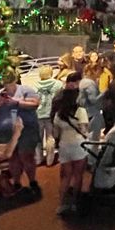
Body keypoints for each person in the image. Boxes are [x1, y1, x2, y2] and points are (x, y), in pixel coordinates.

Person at [0, 72, 42, 197]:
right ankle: (16, 182)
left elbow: (35, 104)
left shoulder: (26, 90)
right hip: (5, 133)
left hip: (26, 130)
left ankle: (32, 181)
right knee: (13, 157)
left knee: (26, 156)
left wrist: (17, 103)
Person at [51, 83, 90, 215]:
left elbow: (56, 134)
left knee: (65, 176)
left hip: (64, 145)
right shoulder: (81, 111)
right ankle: (74, 203)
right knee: (78, 175)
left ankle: (61, 204)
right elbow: (84, 129)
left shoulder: (59, 114)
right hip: (78, 145)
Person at [34, 66, 63, 166]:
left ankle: (38, 159)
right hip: (51, 113)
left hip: (38, 114)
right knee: (50, 137)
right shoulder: (58, 84)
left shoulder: (35, 85)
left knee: (38, 137)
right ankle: (50, 160)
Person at [78, 62, 106, 140]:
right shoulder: (89, 83)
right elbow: (94, 100)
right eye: (99, 71)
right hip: (92, 113)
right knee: (94, 139)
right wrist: (105, 93)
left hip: (84, 113)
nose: (100, 74)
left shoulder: (83, 81)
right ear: (94, 71)